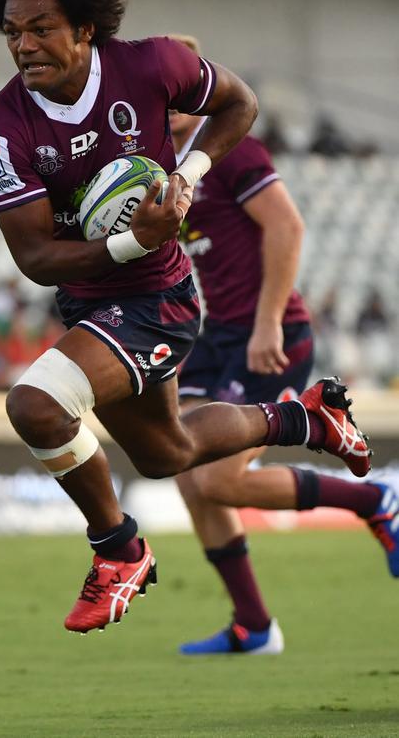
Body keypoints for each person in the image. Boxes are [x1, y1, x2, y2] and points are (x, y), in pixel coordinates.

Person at [0, 0, 371, 635]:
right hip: (95, 298)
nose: (24, 44)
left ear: (85, 27)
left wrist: (187, 176)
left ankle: (118, 552)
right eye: (11, 30)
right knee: (167, 453)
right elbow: (34, 259)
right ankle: (310, 418)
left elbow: (239, 104)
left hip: (161, 297)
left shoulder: (154, 64)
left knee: (35, 405)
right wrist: (132, 239)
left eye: (41, 28)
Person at [169, 35, 399, 655]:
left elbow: (287, 225)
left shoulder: (232, 149)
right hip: (219, 335)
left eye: (184, 85)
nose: (169, 98)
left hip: (269, 334)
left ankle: (374, 496)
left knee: (215, 480)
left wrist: (269, 321)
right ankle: (254, 626)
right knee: (187, 475)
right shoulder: (164, 168)